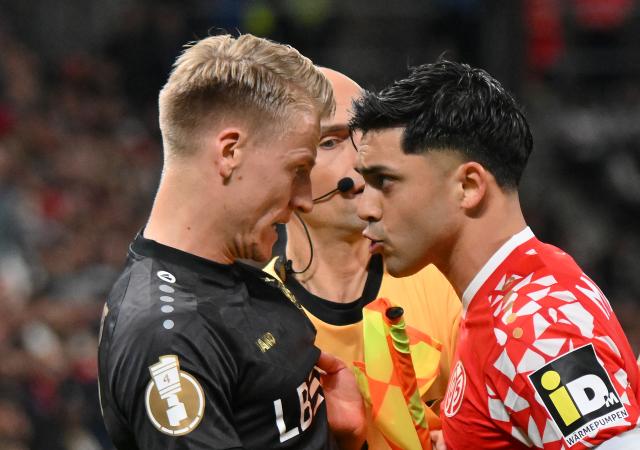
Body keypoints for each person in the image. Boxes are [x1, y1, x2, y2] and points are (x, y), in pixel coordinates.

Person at [349, 59, 640, 449]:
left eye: (384, 181)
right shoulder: (519, 293)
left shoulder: (535, 325)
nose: (365, 207)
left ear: (469, 186)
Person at [97, 34, 365, 450]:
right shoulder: (168, 334)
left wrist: (340, 437)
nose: (305, 199)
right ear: (230, 152)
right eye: (297, 169)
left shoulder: (239, 278)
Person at [265, 67, 460, 449]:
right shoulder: (256, 315)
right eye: (331, 142)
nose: (360, 160)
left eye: (364, 135)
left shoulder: (444, 279)